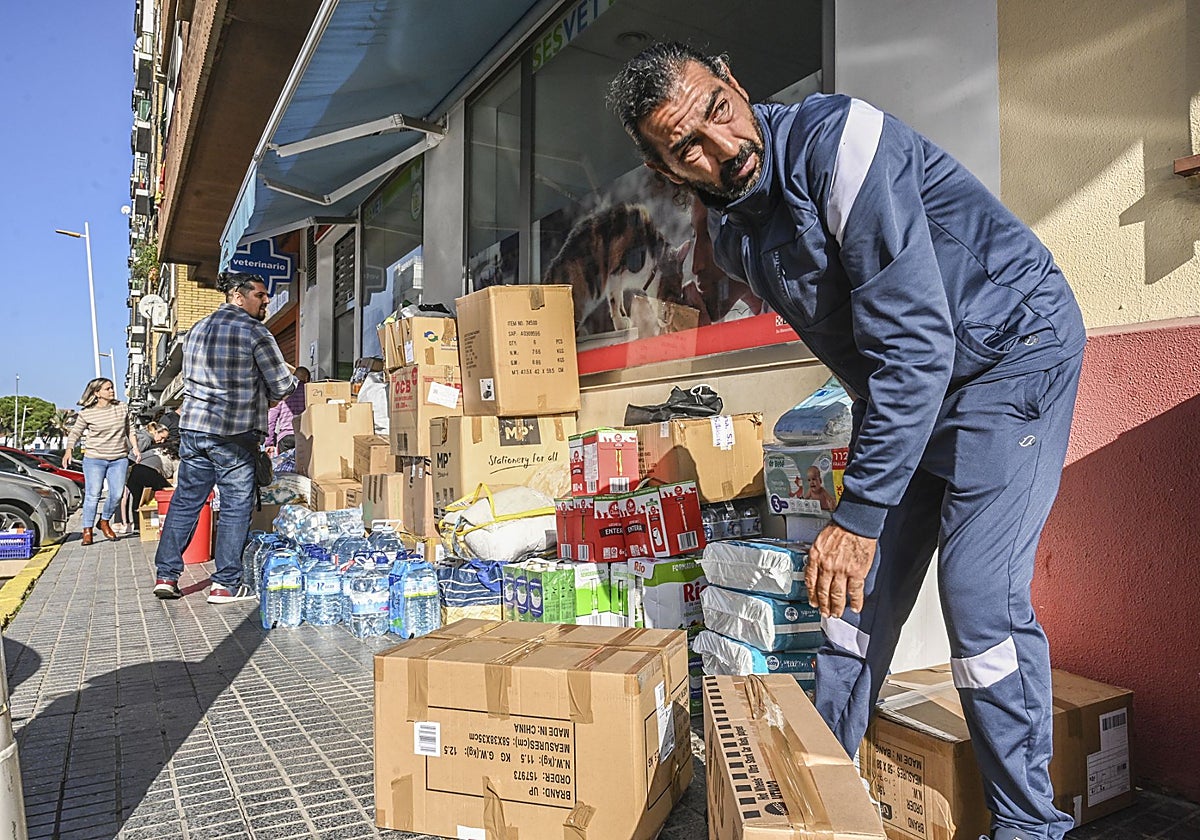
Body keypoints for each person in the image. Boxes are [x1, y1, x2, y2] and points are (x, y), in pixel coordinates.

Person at [609, 43, 1086, 840]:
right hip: (912, 384)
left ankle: (1030, 826)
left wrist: (861, 513)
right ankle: (809, 802)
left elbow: (916, 342)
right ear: (667, 170)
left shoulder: (844, 147)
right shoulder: (738, 242)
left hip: (1010, 355)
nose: (724, 149)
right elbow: (870, 353)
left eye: (718, 112)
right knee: (847, 599)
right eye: (688, 145)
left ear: (736, 81)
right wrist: (860, 515)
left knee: (979, 604)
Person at [153, 272, 296, 603]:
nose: (266, 301)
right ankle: (225, 584)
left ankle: (166, 575)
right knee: (235, 505)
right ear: (237, 295)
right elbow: (282, 386)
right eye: (260, 295)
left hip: (194, 430)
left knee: (187, 500)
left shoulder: (197, 329)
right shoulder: (255, 331)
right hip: (233, 432)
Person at [63, 378, 140, 545]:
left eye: (112, 387)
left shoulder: (121, 407)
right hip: (94, 459)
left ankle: (104, 521)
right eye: (107, 389)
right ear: (97, 393)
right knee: (93, 495)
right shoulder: (86, 413)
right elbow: (75, 433)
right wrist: (68, 450)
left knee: (117, 494)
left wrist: (135, 447)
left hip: (119, 458)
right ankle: (87, 530)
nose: (112, 391)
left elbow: (130, 429)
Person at [123, 423, 175, 532]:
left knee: (137, 498)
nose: (162, 441)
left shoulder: (144, 438)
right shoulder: (146, 440)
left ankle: (138, 524)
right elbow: (133, 455)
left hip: (132, 471)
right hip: (139, 468)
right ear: (156, 432)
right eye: (161, 438)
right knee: (165, 490)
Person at [265, 366, 310, 453]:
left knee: (284, 465)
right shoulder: (309, 392)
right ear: (306, 378)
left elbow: (271, 418)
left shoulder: (284, 391)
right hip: (304, 437)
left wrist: (269, 442)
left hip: (286, 438)